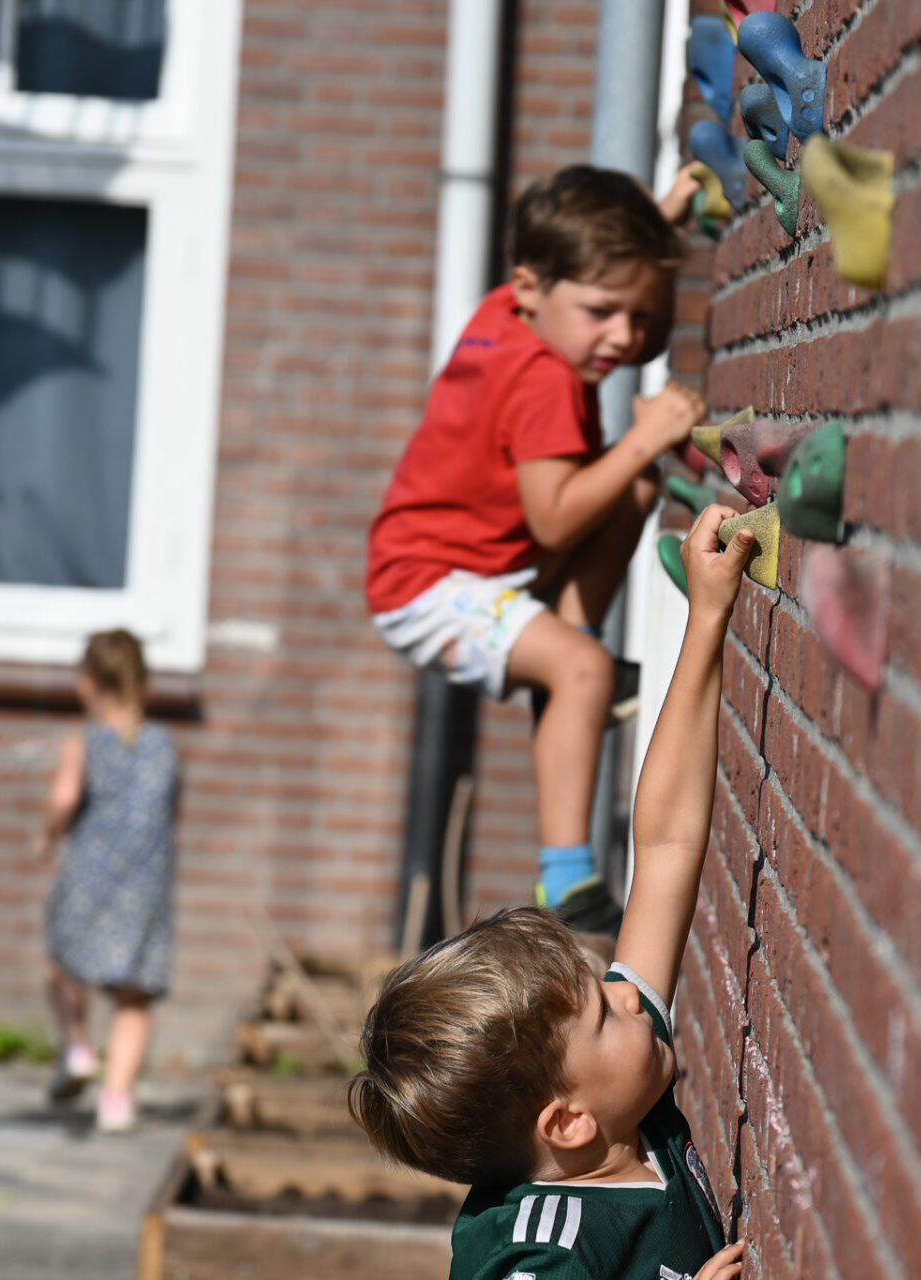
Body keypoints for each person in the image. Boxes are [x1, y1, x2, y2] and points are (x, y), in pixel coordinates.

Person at [350, 502, 756, 1280]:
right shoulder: (542, 1249)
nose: (630, 997)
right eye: (605, 1014)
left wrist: (707, 619)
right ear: (567, 1121)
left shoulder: (619, 1104)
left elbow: (667, 847)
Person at [365, 163, 708, 932]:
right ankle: (568, 882)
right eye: (602, 313)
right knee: (583, 664)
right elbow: (555, 521)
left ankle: (575, 663)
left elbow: (582, 268)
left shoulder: (517, 305)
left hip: (474, 563)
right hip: (428, 586)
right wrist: (646, 435)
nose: (624, 335)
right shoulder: (543, 380)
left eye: (640, 312)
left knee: (635, 491)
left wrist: (664, 218)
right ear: (531, 288)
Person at [35, 629, 180, 1134]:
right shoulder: (164, 743)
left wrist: (49, 837)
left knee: (60, 961)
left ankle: (77, 1046)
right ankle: (117, 1100)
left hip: (88, 873)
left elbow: (64, 800)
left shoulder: (86, 741)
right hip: (145, 883)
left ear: (88, 683)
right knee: (133, 994)